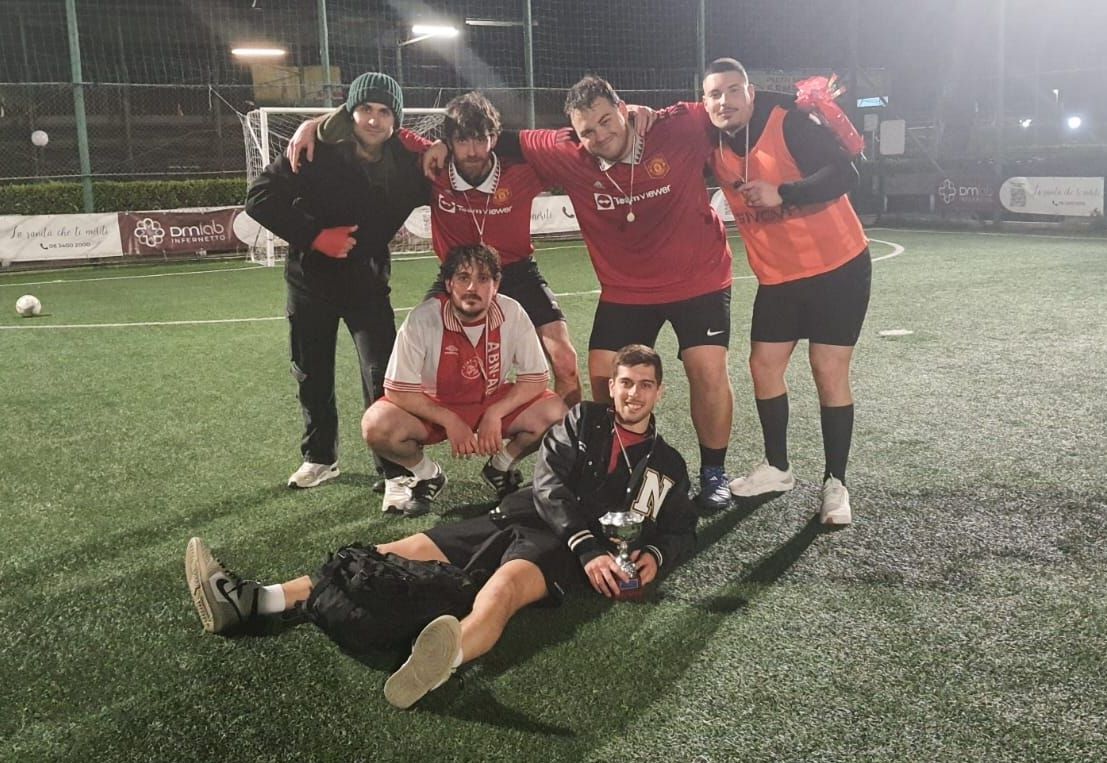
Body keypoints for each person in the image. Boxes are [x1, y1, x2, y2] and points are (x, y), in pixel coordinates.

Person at [184, 344, 698, 709]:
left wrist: (656, 555)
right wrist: (588, 544)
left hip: (558, 553)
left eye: (644, 385)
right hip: (521, 517)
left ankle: (440, 662)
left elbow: (681, 528)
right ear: (612, 386)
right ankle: (254, 600)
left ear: (660, 392)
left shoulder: (667, 463)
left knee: (502, 592)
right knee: (392, 550)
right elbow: (548, 484)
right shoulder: (583, 419)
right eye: (625, 383)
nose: (633, 394)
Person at [425, 75, 737, 512]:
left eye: (607, 121)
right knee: (603, 377)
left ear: (623, 109)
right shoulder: (565, 152)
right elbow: (506, 139)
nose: (599, 135)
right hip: (626, 289)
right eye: (587, 130)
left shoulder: (675, 125)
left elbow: (730, 107)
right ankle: (608, 463)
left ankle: (714, 472)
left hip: (698, 280)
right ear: (574, 132)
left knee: (705, 369)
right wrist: (438, 144)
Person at [286, 91, 584, 409]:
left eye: (480, 139)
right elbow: (375, 127)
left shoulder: (522, 171)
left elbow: (570, 144)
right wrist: (312, 125)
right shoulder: (433, 167)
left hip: (517, 272)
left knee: (565, 360)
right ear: (449, 141)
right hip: (454, 279)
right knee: (415, 359)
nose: (472, 151)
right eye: (462, 140)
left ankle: (568, 436)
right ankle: (425, 435)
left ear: (495, 139)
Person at [697, 58, 871, 525]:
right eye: (714, 94)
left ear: (750, 93)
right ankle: (778, 467)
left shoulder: (788, 122)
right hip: (778, 279)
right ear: (705, 102)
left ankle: (835, 483)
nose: (724, 101)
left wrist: (784, 192)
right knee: (763, 365)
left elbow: (846, 174)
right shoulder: (711, 143)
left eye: (734, 90)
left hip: (838, 266)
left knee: (827, 370)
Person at [245, 72, 429, 491]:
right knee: (311, 374)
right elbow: (259, 197)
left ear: (396, 119)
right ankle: (320, 457)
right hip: (309, 284)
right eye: (365, 109)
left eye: (384, 111)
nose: (374, 120)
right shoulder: (315, 151)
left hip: (367, 286)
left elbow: (454, 170)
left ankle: (395, 471)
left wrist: (435, 150)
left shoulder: (407, 165)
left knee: (381, 375)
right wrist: (315, 236)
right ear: (351, 112)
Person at [362, 244, 567, 516]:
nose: (472, 287)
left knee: (556, 414)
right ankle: (427, 474)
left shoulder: (512, 312)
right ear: (449, 283)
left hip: (489, 399)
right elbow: (397, 390)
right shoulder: (423, 319)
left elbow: (535, 378)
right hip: (436, 405)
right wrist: (449, 420)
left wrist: (495, 413)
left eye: (483, 278)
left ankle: (500, 467)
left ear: (496, 285)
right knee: (376, 425)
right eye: (463, 277)